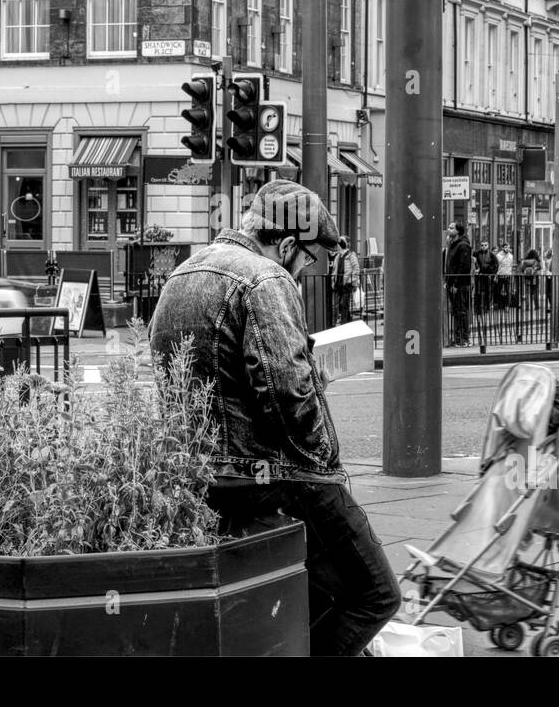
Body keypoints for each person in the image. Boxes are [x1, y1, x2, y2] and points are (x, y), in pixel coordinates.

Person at [148, 180, 400, 656]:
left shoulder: (180, 276)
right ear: (287, 244)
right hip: (272, 479)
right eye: (306, 260)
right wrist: (329, 463)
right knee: (375, 593)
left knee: (311, 590)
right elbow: (289, 397)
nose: (304, 272)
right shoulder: (267, 278)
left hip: (206, 481)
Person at [444, 222, 473, 346]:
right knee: (456, 311)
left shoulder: (463, 245)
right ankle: (458, 338)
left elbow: (463, 267)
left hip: (460, 285)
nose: (448, 229)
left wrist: (455, 284)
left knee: (461, 311)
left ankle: (463, 338)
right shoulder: (453, 245)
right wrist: (448, 283)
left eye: (451, 228)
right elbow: (449, 265)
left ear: (458, 231)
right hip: (453, 284)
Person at [330, 235, 359, 325]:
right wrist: (333, 281)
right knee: (342, 304)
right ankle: (349, 322)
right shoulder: (338, 256)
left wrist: (353, 282)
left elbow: (356, 269)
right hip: (339, 283)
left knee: (343, 304)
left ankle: (344, 323)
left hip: (347, 283)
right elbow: (335, 270)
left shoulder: (351, 255)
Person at [474, 239, 499, 314]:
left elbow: (496, 264)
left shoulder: (491, 254)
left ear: (488, 246)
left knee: (488, 291)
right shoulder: (476, 253)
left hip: (488, 276)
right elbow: (474, 262)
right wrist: (476, 269)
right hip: (479, 275)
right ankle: (479, 308)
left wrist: (492, 273)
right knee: (479, 292)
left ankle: (486, 307)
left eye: (485, 245)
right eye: (482, 245)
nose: (483, 247)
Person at [496, 242, 515, 308]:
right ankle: (500, 304)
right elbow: (497, 265)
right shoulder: (498, 255)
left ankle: (507, 305)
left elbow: (511, 266)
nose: (507, 249)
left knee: (508, 291)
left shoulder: (511, 256)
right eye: (506, 247)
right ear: (502, 248)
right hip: (500, 275)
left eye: (508, 247)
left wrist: (511, 274)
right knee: (498, 290)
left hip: (508, 275)